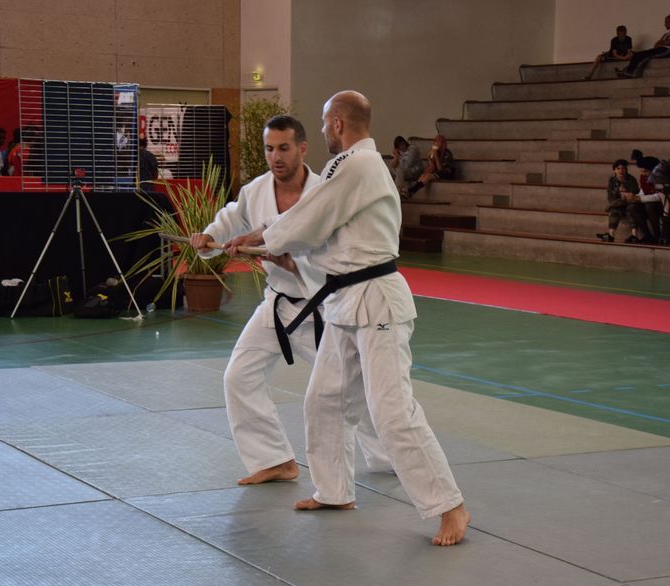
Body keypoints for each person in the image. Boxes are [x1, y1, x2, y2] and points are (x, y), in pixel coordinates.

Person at [224, 91, 471, 546]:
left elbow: (310, 218)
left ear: (337, 123)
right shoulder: (350, 166)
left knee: (391, 410)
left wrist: (259, 237)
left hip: (376, 300)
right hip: (344, 302)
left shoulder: (359, 165)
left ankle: (449, 506)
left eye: (324, 123)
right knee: (324, 401)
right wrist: (258, 239)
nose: (322, 131)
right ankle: (334, 491)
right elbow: (314, 224)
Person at [189, 115, 390, 486]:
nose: (275, 157)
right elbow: (230, 219)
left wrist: (294, 265)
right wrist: (207, 238)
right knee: (239, 377)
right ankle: (275, 459)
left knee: (348, 393)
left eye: (283, 148)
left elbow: (340, 256)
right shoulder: (256, 191)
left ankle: (389, 456)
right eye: (269, 149)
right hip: (277, 304)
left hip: (322, 307)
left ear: (302, 148)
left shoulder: (326, 191)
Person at [617, 14, 670, 78]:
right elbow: (656, 44)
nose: (664, 24)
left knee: (643, 55)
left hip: (667, 51)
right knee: (637, 54)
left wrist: (663, 42)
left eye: (666, 22)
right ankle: (627, 70)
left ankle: (630, 72)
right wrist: (664, 42)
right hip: (661, 49)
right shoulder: (666, 34)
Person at [596, 159, 642, 243]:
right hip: (618, 204)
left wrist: (621, 198)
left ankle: (634, 235)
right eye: (618, 168)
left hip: (630, 204)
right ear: (614, 170)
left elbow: (632, 197)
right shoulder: (612, 180)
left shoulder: (632, 179)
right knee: (614, 209)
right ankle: (611, 235)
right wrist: (619, 194)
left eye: (623, 168)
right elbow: (610, 197)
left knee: (631, 208)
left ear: (626, 170)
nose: (621, 171)